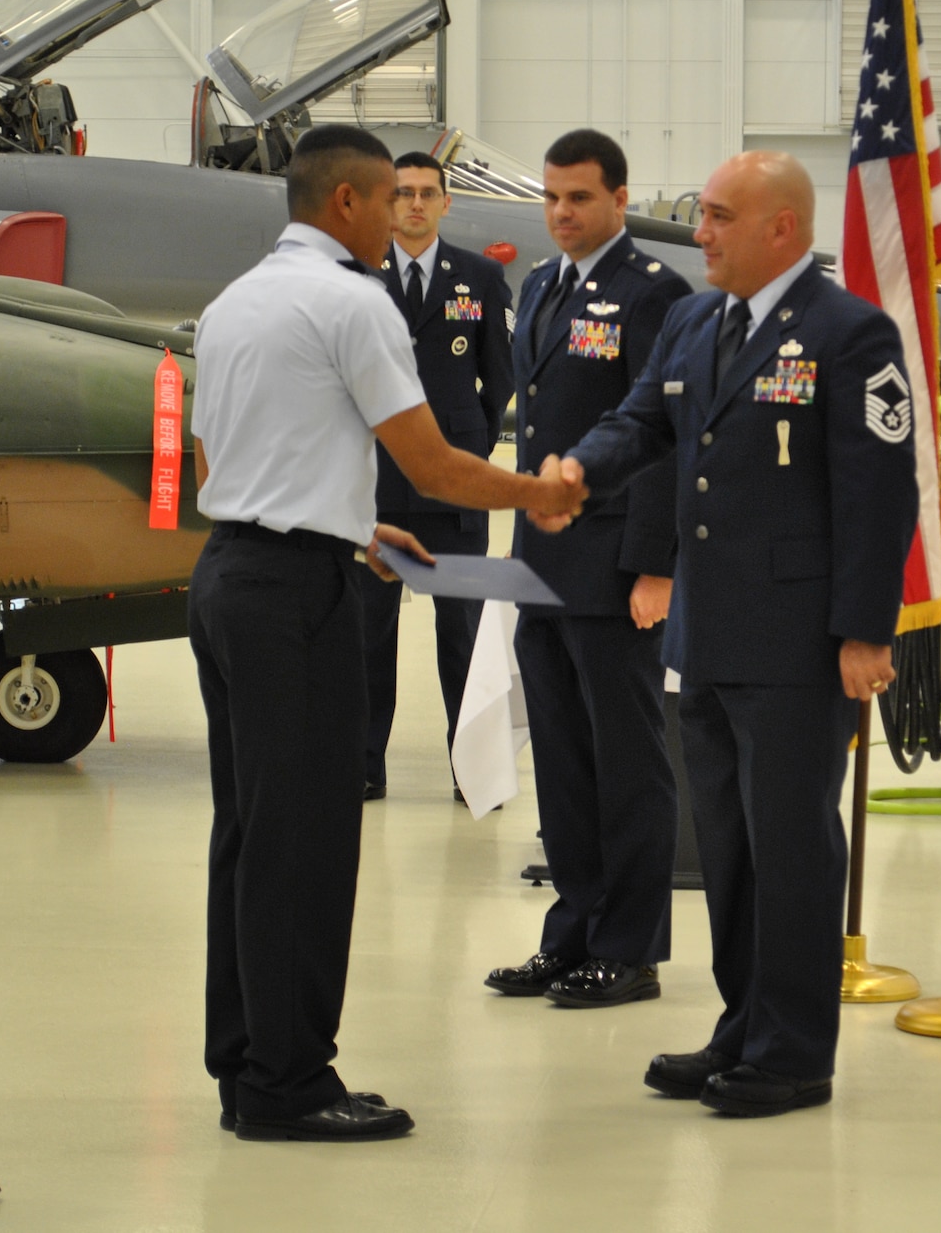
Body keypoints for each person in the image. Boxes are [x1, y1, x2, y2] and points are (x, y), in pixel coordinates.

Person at [187, 125, 584, 1144]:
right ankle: (289, 1079)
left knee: (248, 833)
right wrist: (539, 490)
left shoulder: (235, 299)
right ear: (353, 205)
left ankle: (245, 1061)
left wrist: (349, 523)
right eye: (385, 197)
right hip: (291, 599)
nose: (399, 212)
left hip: (231, 574)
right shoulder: (351, 300)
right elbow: (441, 465)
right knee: (308, 841)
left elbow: (228, 457)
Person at [537, 150, 918, 1116]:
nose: (697, 232)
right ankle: (741, 1024)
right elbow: (642, 425)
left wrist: (866, 632)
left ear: (779, 229)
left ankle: (793, 1049)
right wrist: (574, 473)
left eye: (714, 216)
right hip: (705, 635)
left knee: (791, 844)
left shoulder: (850, 333)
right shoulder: (696, 319)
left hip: (798, 645)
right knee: (730, 846)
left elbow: (880, 496)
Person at [483, 129, 692, 1010]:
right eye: (552, 198)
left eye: (579, 198)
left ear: (619, 198)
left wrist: (653, 566)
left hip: (614, 565)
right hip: (543, 560)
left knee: (627, 763)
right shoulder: (539, 285)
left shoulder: (655, 294)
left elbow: (665, 439)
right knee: (564, 760)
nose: (562, 214)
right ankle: (571, 933)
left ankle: (631, 947)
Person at [357, 151, 515, 803]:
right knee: (369, 633)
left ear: (447, 203)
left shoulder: (479, 277)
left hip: (455, 485)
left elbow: (500, 377)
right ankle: (364, 766)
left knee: (463, 632)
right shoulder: (358, 277)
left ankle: (469, 769)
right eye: (403, 193)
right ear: (387, 204)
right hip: (374, 484)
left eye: (428, 193)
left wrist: (462, 435)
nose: (415, 203)